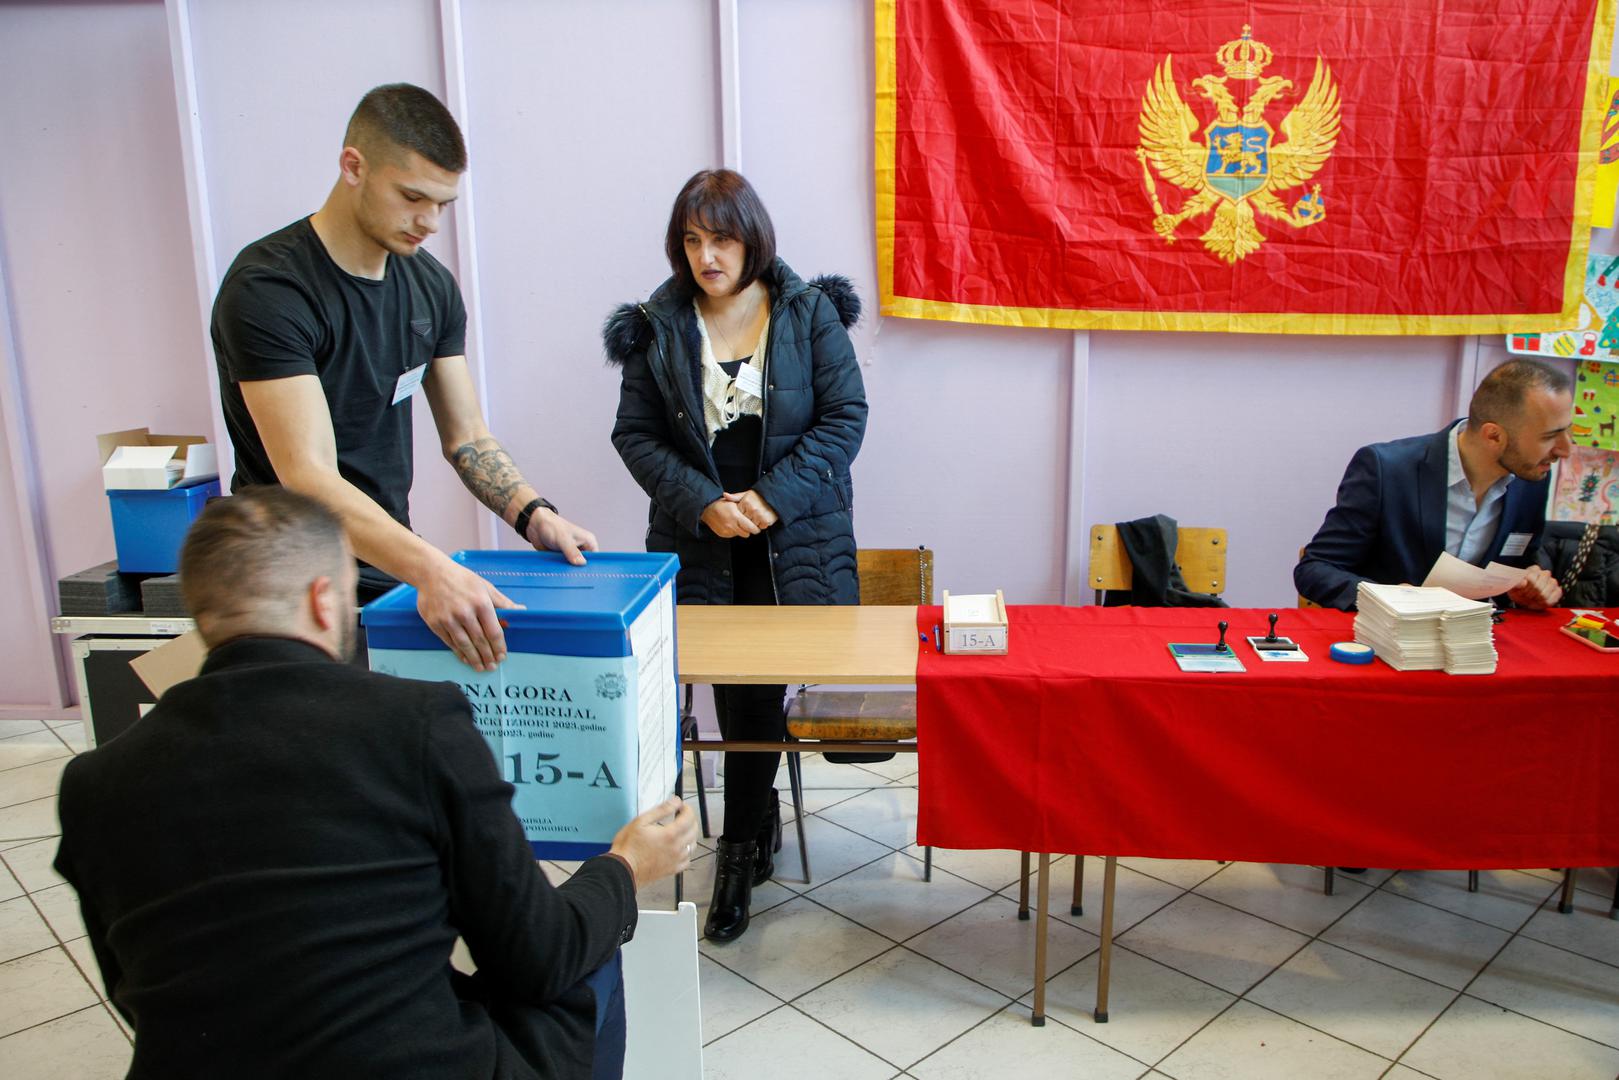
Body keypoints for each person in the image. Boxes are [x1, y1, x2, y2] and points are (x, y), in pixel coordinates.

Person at [53, 487, 697, 1080]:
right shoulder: (416, 721)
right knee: (589, 946)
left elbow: (132, 989)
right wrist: (625, 864)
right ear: (322, 599)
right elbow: (538, 956)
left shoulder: (91, 782)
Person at [211, 83, 596, 672]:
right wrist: (435, 569)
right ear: (353, 166)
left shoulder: (430, 287)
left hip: (380, 567)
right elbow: (308, 476)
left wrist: (534, 514)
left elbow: (467, 436)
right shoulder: (270, 289)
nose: (430, 222)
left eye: (443, 204)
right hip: (281, 582)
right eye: (413, 196)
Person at [604, 169, 867, 942]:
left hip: (795, 540)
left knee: (757, 696)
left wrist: (771, 497)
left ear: (752, 237)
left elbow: (844, 418)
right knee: (734, 695)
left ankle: (743, 842)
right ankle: (749, 837)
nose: (705, 256)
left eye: (720, 238)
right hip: (704, 544)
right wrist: (702, 503)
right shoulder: (657, 324)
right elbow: (635, 436)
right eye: (690, 241)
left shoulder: (807, 313)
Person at [1295, 358, 1573, 610]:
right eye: (1550, 436)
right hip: (1385, 643)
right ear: (1493, 436)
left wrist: (1530, 587)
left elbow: (1519, 564)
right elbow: (1316, 568)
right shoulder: (1386, 469)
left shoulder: (1531, 479)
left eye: (1567, 431)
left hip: (1474, 645)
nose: (1565, 450)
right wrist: (1381, 597)